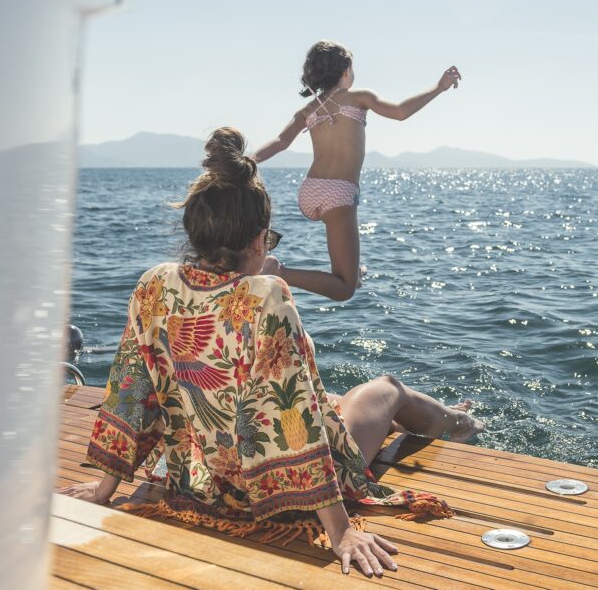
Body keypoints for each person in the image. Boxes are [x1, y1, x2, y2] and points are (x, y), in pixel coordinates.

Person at [57, 128, 484, 578]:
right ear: (259, 238)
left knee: (339, 401)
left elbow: (134, 390)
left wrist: (107, 488)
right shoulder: (266, 296)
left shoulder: (154, 285)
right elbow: (288, 414)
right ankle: (460, 423)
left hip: (203, 481)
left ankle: (435, 419)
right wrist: (340, 532)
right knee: (385, 388)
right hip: (283, 490)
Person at [252, 40, 461, 301]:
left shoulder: (308, 109)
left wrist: (249, 160)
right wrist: (438, 88)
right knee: (345, 288)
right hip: (338, 192)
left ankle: (352, 269)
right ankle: (279, 270)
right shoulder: (359, 97)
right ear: (346, 71)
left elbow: (281, 142)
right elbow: (400, 112)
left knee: (348, 271)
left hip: (310, 190)